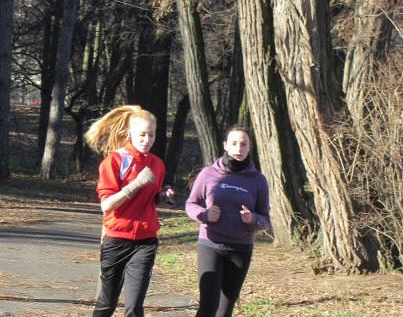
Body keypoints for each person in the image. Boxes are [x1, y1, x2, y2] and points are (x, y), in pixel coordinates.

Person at [85, 105, 174, 317]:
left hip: (145, 241)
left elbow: (152, 198)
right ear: (129, 133)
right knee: (107, 304)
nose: (147, 140)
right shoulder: (115, 160)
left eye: (151, 135)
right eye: (142, 134)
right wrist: (135, 184)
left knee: (134, 306)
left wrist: (163, 196)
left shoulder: (157, 164)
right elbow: (106, 205)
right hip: (116, 239)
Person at [185, 125, 270, 317]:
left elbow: (265, 219)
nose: (239, 149)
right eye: (234, 143)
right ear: (225, 145)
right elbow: (190, 204)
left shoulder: (258, 180)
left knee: (225, 310)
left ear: (250, 147)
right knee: (208, 306)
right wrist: (205, 215)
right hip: (211, 244)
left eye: (244, 144)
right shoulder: (208, 174)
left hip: (241, 249)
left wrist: (252, 218)